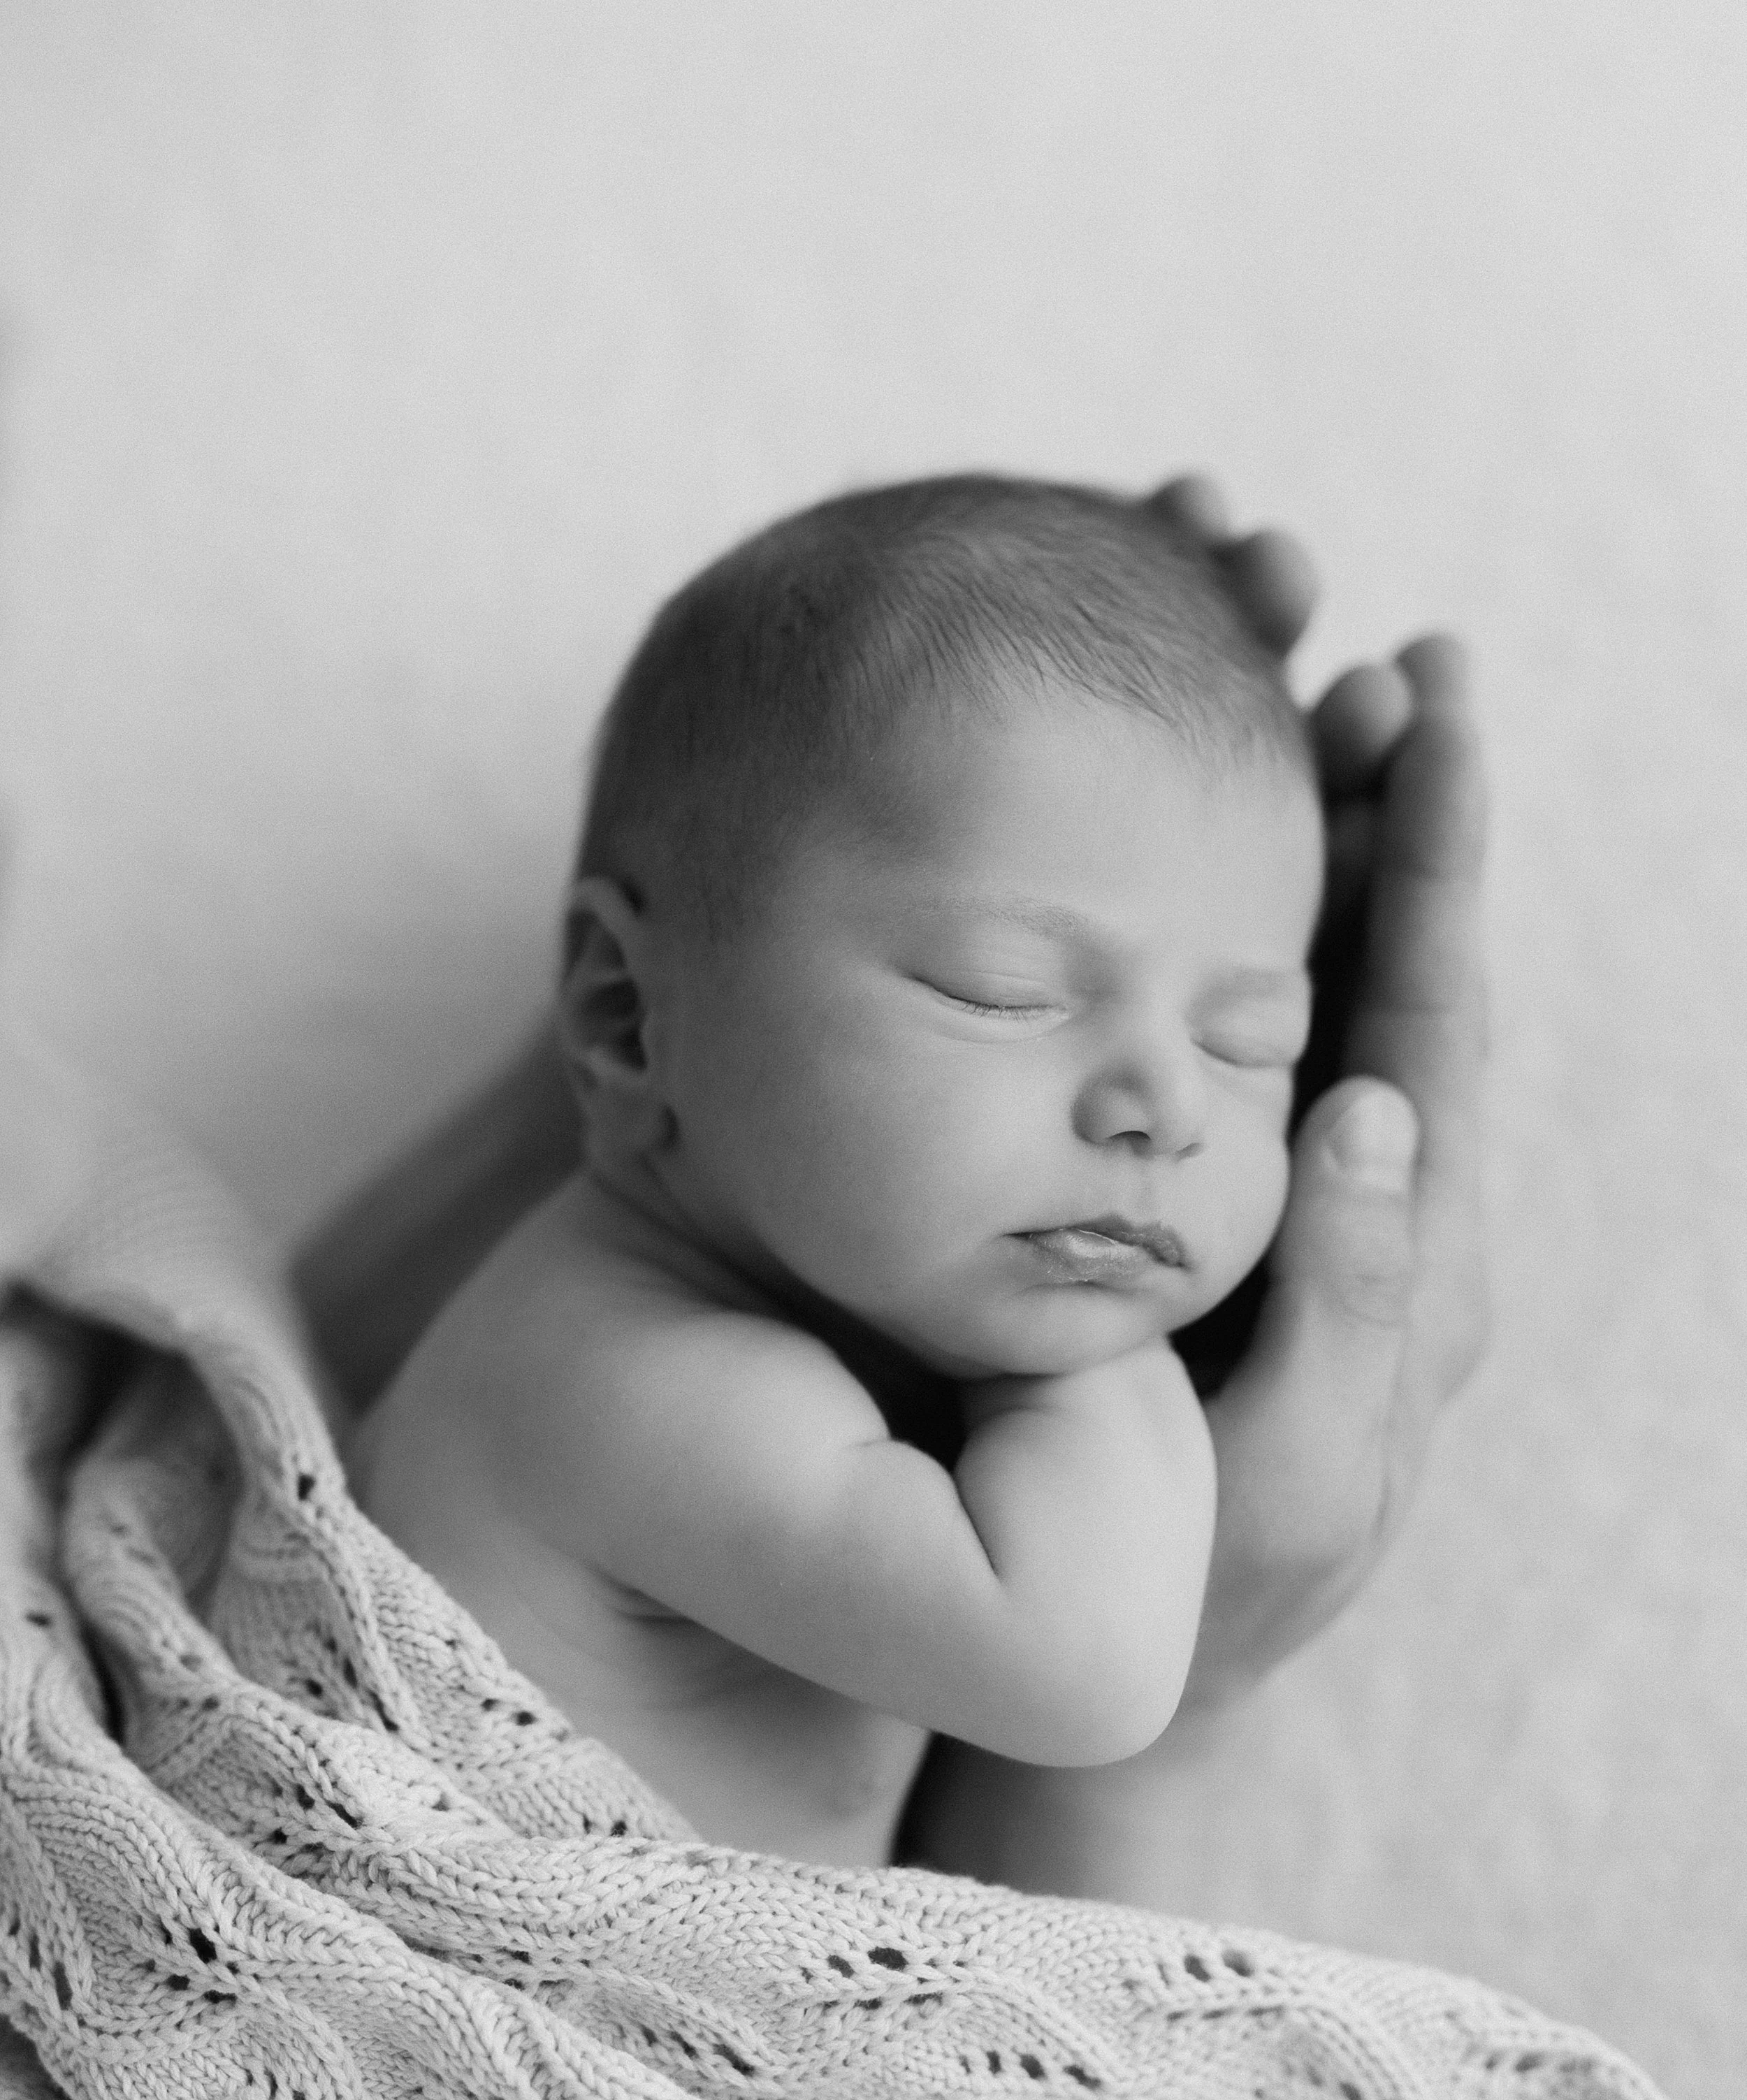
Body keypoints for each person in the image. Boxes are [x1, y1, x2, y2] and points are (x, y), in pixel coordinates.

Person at [296, 471, 1490, 1902]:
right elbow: (1087, 1672)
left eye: (1248, 1044)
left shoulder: (815, 1343)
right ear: (623, 1019)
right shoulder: (627, 1379)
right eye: (1005, 994)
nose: (1165, 1109)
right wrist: (1110, 1344)